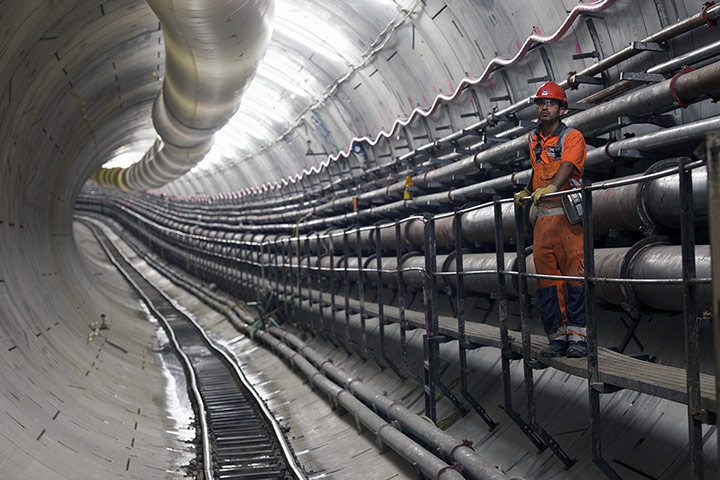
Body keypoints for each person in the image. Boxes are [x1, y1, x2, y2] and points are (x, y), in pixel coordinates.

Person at [513, 81, 587, 358]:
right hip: (543, 223)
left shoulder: (573, 137)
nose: (544, 107)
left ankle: (578, 339)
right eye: (541, 103)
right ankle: (557, 338)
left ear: (561, 108)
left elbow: (567, 166)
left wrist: (553, 188)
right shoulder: (533, 139)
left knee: (576, 279)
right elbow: (537, 170)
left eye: (551, 103)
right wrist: (528, 191)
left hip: (569, 221)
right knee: (546, 282)